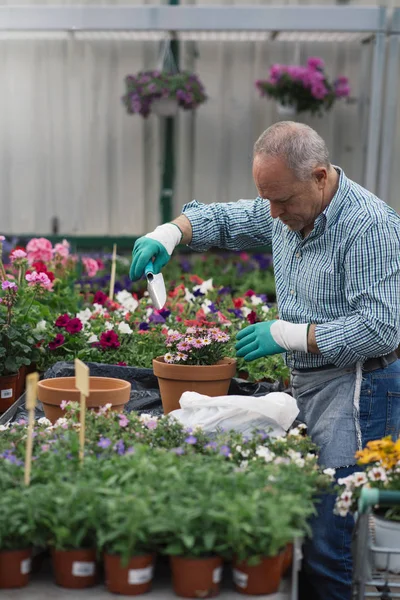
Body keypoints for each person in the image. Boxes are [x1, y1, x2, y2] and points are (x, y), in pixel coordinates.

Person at [129, 121, 400, 600]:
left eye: (282, 200)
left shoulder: (368, 226)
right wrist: (170, 232)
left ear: (319, 176)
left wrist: (288, 334)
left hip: (356, 385)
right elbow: (227, 220)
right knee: (310, 509)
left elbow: (381, 328)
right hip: (313, 381)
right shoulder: (289, 206)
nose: (273, 213)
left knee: (331, 527)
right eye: (267, 199)